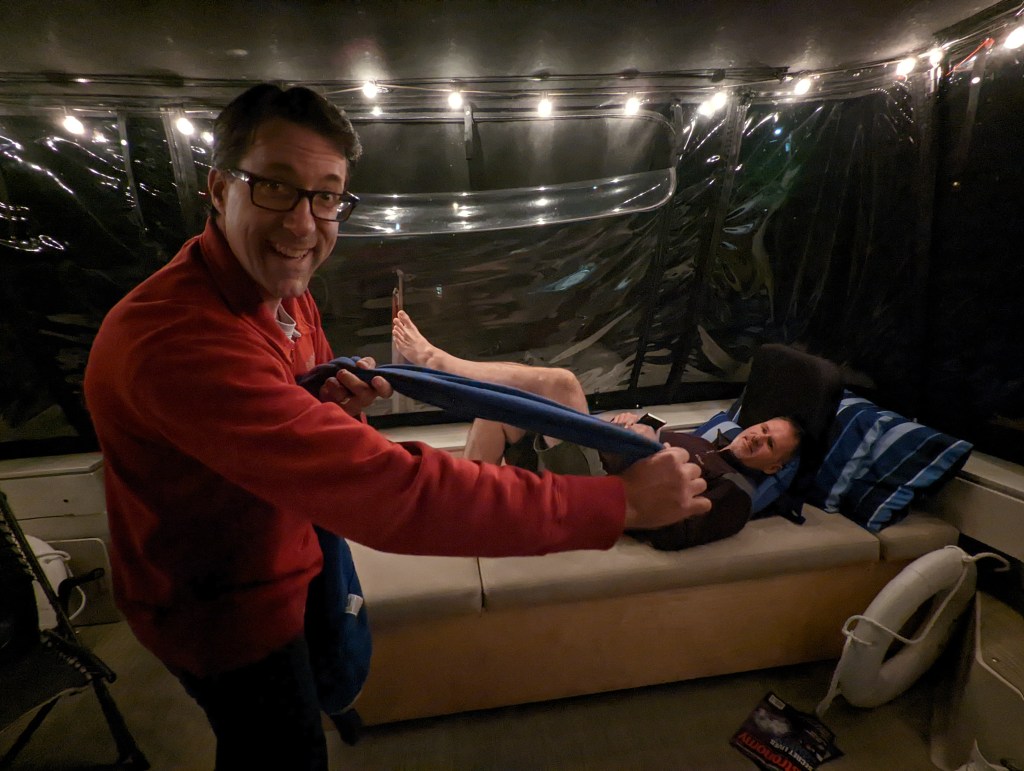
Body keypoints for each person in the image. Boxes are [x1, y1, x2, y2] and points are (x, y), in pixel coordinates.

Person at [83, 84, 711, 770]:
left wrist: (331, 406)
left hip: (292, 551)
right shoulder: (177, 340)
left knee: (317, 688)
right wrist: (621, 503)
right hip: (224, 612)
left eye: (327, 196)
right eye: (276, 187)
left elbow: (289, 420)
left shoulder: (281, 292)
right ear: (218, 187)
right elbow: (396, 493)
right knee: (279, 751)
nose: (303, 224)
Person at [393, 309, 803, 549]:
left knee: (563, 384)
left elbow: (672, 530)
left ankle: (437, 363)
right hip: (595, 459)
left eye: (770, 444)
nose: (757, 437)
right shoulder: (701, 440)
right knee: (499, 410)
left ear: (773, 467)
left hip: (605, 490)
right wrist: (630, 427)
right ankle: (459, 509)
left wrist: (644, 462)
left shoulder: (736, 495)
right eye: (763, 428)